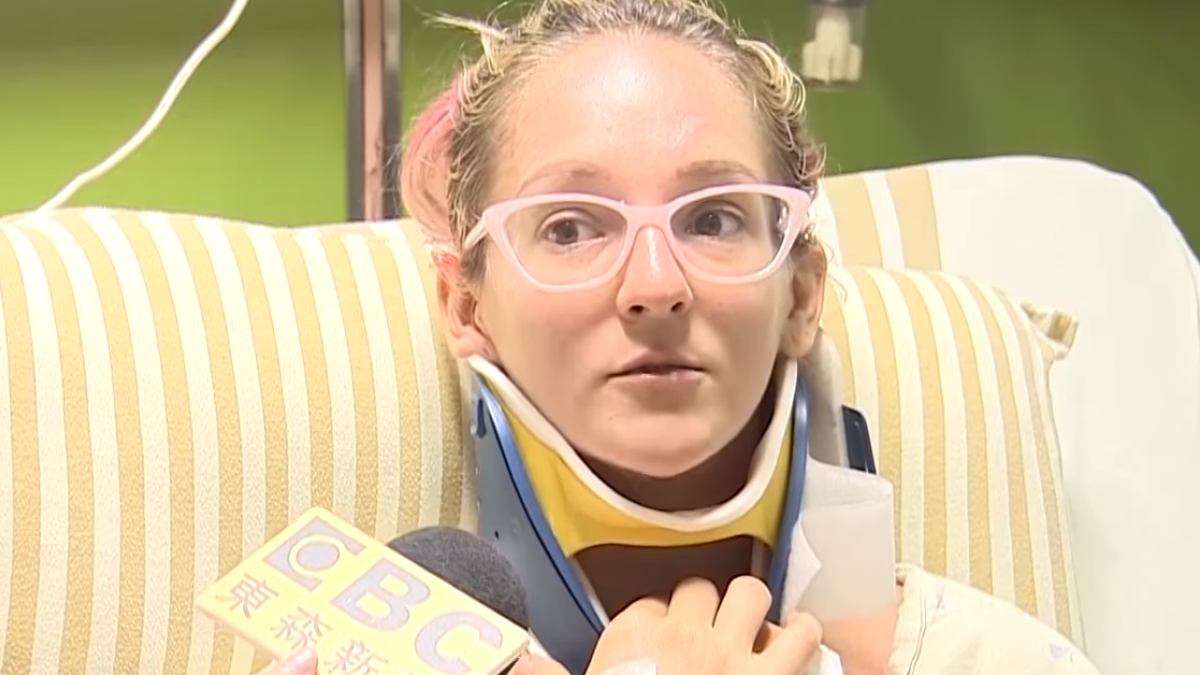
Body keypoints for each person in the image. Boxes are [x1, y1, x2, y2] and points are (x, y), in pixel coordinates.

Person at [262, 0, 1104, 673]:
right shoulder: (349, 656)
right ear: (465, 306)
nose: (655, 285)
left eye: (712, 218)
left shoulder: (995, 659)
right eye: (569, 227)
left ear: (801, 293)